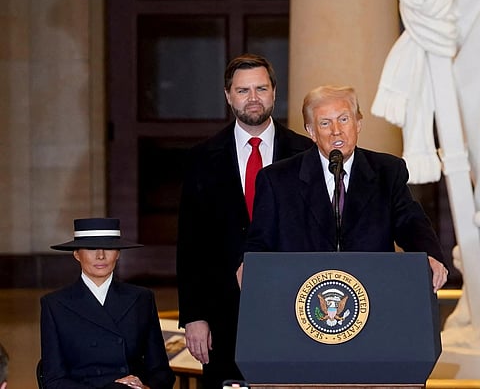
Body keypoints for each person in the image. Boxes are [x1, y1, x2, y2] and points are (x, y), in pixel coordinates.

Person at [176, 54, 314, 387]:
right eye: (243, 90)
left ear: (274, 92)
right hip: (223, 312)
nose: (253, 98)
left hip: (293, 307)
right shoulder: (200, 158)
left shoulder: (305, 153)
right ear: (227, 95)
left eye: (261, 88)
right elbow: (190, 243)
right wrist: (194, 316)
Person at [239, 85, 448, 292]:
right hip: (299, 300)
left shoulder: (387, 171)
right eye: (325, 123)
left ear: (358, 124)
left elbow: (410, 222)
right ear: (311, 131)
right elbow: (260, 242)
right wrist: (250, 265)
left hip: (372, 295)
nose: (336, 131)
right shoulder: (277, 180)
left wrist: (429, 255)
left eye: (344, 119)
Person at [40, 218, 175, 389]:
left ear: (118, 253)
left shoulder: (141, 298)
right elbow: (53, 381)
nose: (101, 255)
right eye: (91, 248)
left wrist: (146, 387)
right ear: (76, 254)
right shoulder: (55, 305)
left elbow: (161, 372)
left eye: (109, 248)